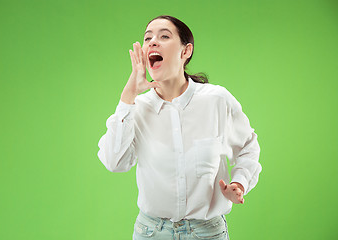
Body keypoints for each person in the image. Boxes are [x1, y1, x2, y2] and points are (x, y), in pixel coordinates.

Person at [97, 15, 262, 240]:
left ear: (186, 51)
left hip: (207, 233)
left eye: (164, 36)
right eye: (148, 38)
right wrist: (129, 95)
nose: (153, 42)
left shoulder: (216, 100)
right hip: (151, 233)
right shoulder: (138, 108)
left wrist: (239, 183)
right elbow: (115, 162)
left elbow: (247, 148)